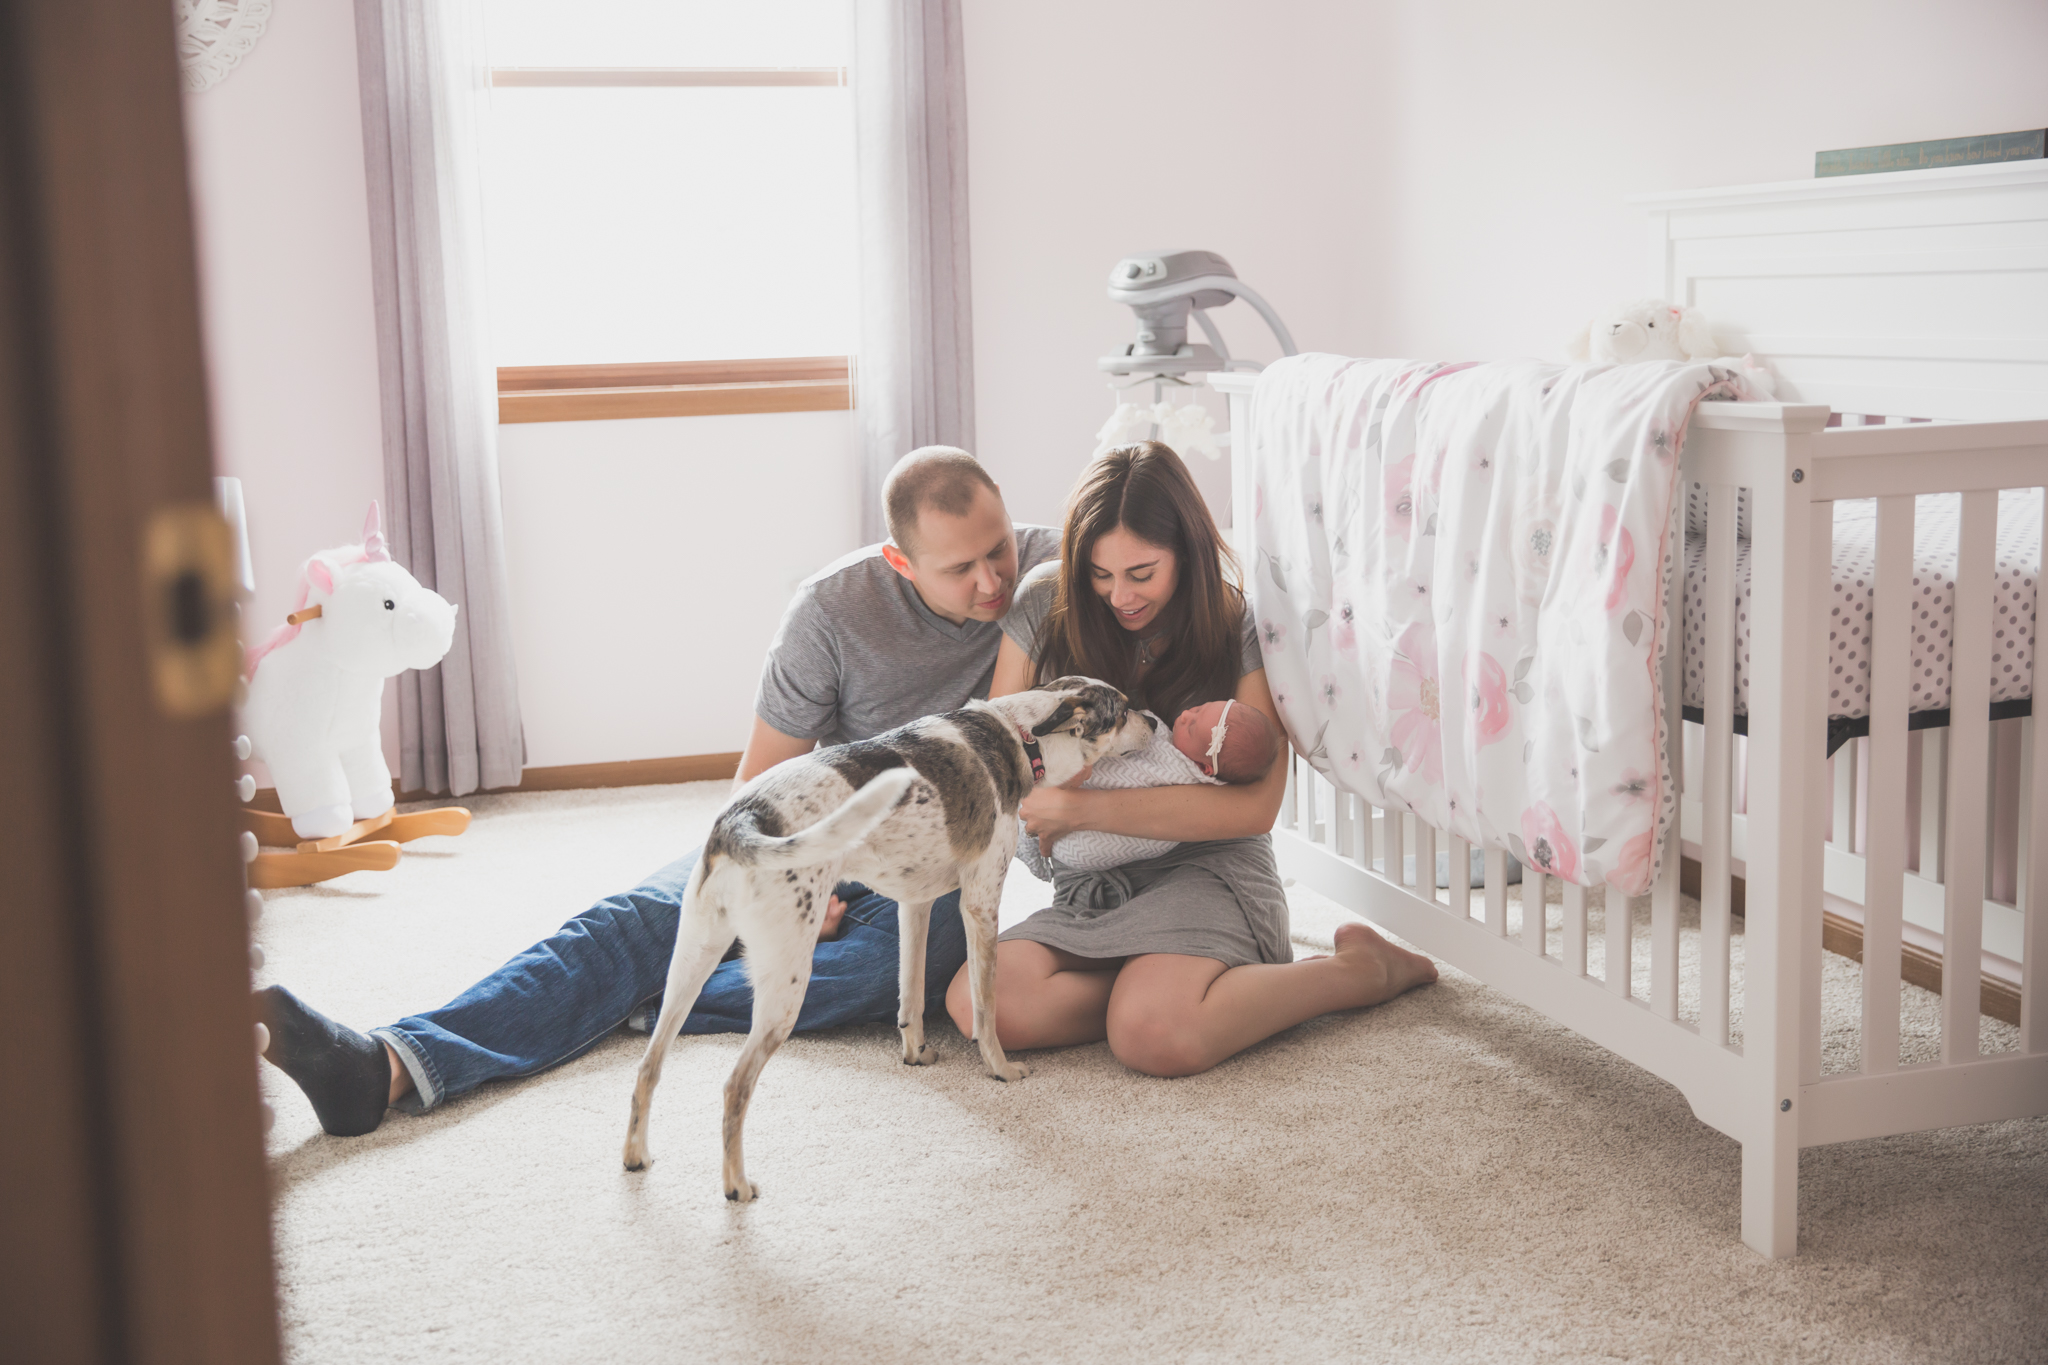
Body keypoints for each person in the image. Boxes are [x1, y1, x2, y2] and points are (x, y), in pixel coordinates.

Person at [257, 446, 1061, 1136]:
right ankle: (387, 1065)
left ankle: (633, 999)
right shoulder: (830, 609)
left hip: (927, 861)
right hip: (810, 827)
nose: (994, 579)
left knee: (909, 961)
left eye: (998, 548)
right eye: (962, 567)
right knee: (633, 922)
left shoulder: (1051, 573)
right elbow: (758, 786)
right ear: (900, 560)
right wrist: (794, 883)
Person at [945, 441, 1436, 1078]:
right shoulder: (1045, 605)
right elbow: (1001, 760)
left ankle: (1359, 972)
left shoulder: (1234, 623)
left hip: (1205, 868)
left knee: (1155, 1038)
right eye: (1099, 574)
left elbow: (1255, 807)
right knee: (979, 1006)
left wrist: (1079, 806)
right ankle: (1166, 986)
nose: (1118, 596)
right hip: (1095, 885)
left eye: (1141, 573)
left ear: (1188, 554)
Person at [1016, 698, 1278, 878]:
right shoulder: (1178, 745)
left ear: (1206, 768)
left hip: (1083, 839)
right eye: (1198, 708)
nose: (1186, 715)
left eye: (1192, 726)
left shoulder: (1180, 774)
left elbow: (1129, 773)